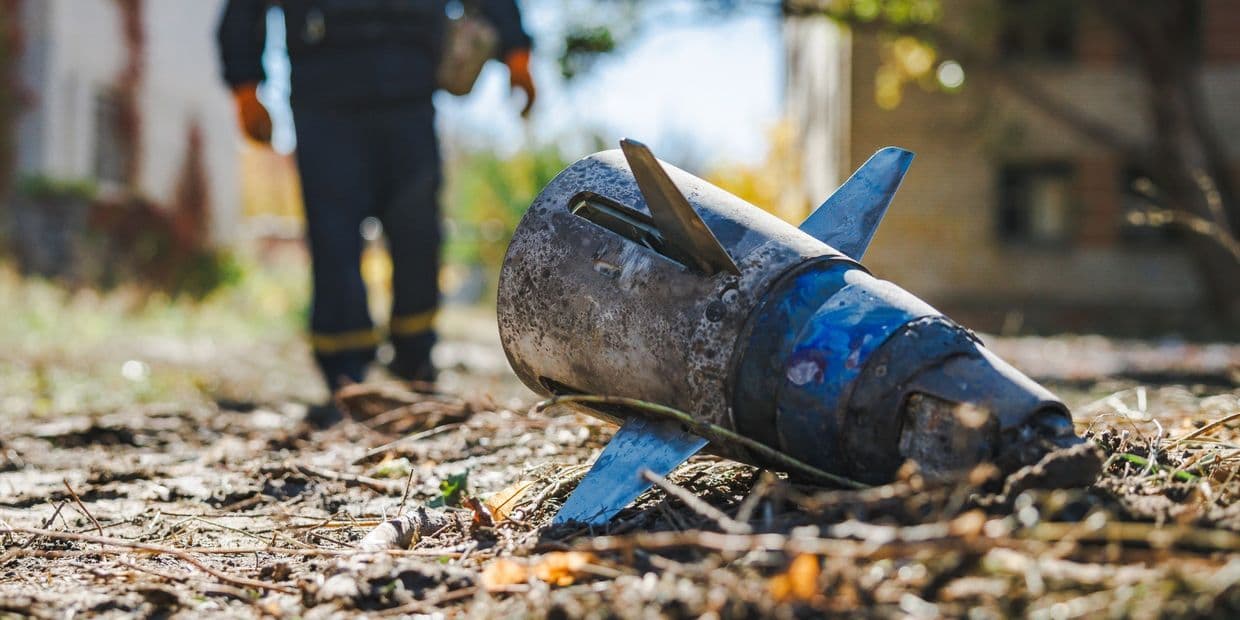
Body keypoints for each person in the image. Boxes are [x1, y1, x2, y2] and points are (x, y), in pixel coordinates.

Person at [216, 0, 535, 393]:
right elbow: (245, 9)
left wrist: (517, 54)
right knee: (332, 233)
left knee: (417, 229)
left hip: (409, 92)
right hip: (324, 96)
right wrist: (245, 87)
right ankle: (345, 369)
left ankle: (415, 356)